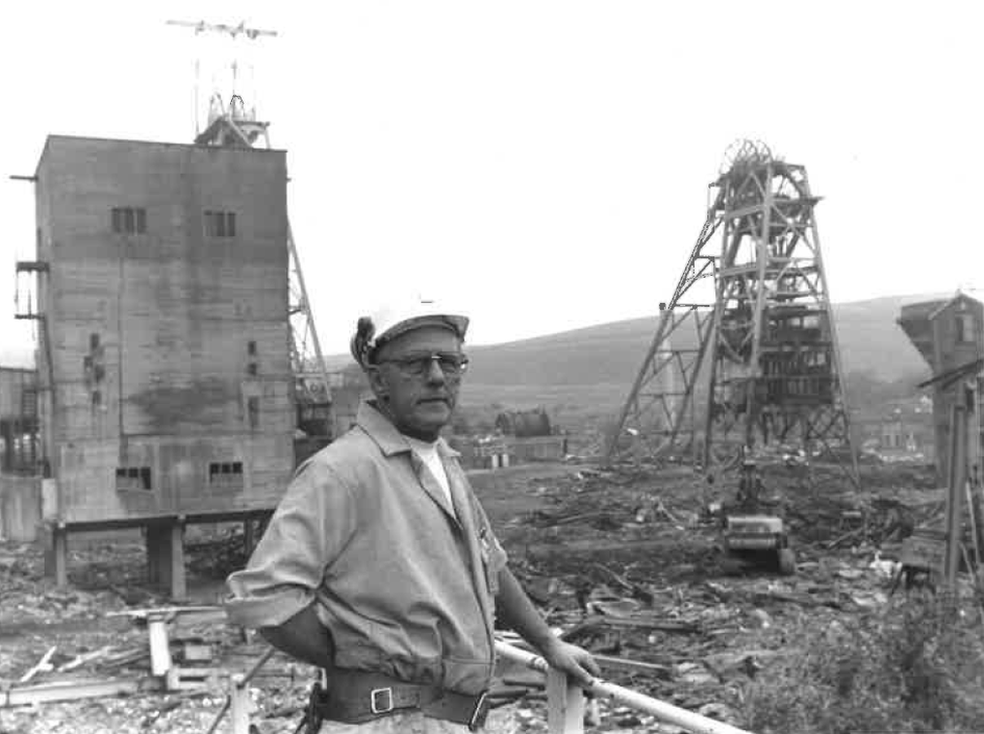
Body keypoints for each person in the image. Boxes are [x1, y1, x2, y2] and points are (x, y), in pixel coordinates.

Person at [225, 300, 599, 732]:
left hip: (452, 720)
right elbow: (264, 600)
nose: (438, 377)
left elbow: (490, 566)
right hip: (389, 720)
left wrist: (548, 644)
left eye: (451, 363)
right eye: (416, 364)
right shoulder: (343, 471)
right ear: (379, 380)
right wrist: (358, 655)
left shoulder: (444, 462)